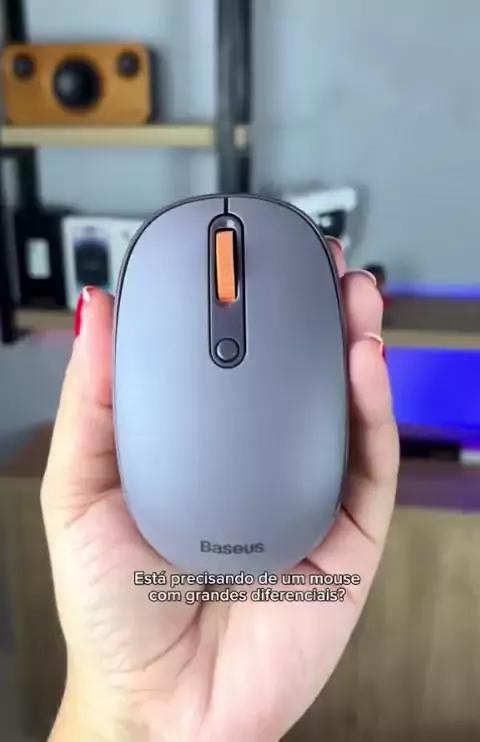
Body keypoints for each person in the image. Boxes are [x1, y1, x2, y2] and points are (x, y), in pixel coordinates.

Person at [42, 237, 399, 742]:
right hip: (288, 528)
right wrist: (134, 710)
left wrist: (128, 712)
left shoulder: (161, 257)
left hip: (218, 530)